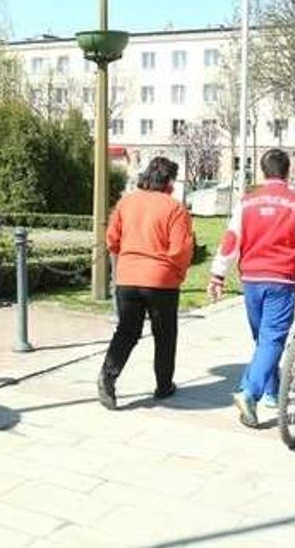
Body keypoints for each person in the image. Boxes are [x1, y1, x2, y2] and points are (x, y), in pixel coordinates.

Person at [208, 148, 295, 428]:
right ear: (288, 171)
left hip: (251, 282)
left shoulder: (246, 202)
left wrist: (217, 274)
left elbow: (231, 240)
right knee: (271, 340)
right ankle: (250, 393)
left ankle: (272, 391)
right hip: (280, 281)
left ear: (262, 171)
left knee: (263, 340)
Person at [97, 156, 195, 410]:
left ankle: (108, 377)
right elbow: (181, 249)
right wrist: (177, 274)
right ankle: (163, 386)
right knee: (165, 334)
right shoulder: (174, 208)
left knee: (127, 331)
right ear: (169, 181)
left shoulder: (126, 203)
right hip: (161, 280)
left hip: (127, 278)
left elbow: (112, 240)